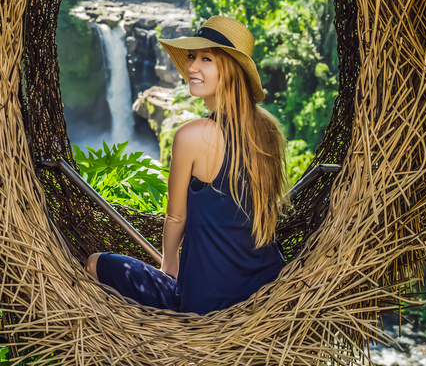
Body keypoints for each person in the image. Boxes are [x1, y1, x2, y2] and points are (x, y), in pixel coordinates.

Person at [85, 16, 289, 315]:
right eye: (192, 56)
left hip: (206, 303)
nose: (192, 67)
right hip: (265, 288)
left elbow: (175, 218)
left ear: (231, 71)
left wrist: (169, 266)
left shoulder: (192, 136)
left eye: (206, 59)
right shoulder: (268, 131)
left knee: (95, 262)